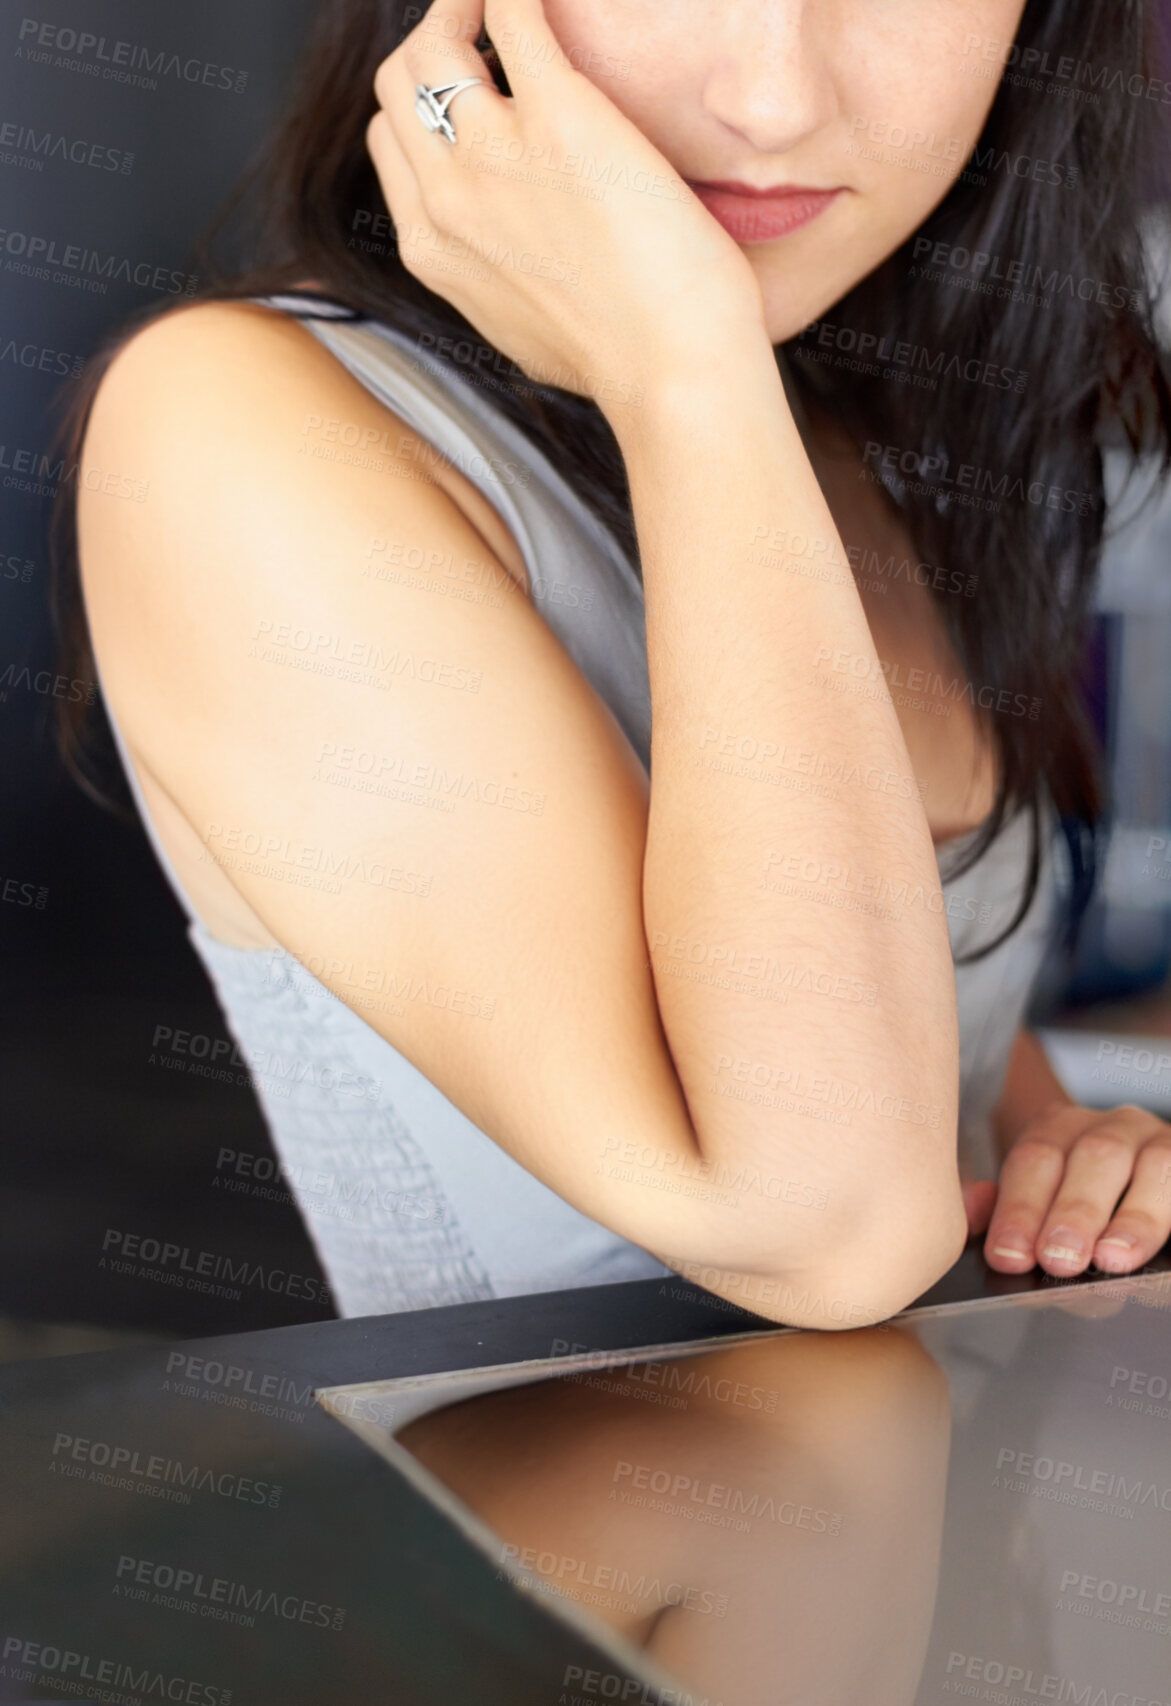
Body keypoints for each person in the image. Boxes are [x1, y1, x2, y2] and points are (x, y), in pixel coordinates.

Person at [55, 0, 1171, 1327]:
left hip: (949, 1511)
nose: (771, 101)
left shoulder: (834, 415)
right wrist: (686, 372)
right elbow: (825, 1228)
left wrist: (1061, 1138)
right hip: (530, 1532)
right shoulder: (227, 427)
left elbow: (928, 990)